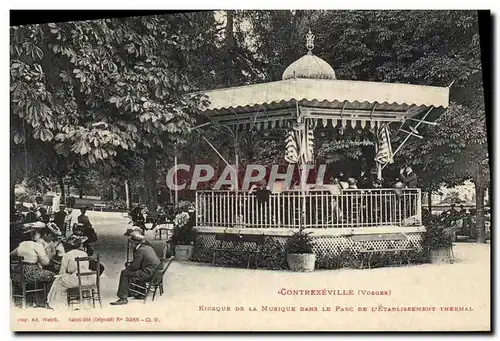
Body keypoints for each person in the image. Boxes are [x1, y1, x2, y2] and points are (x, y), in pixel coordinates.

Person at [110, 232, 161, 306]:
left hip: (149, 274)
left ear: (135, 243)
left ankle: (123, 297)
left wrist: (128, 266)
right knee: (135, 270)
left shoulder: (140, 250)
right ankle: (140, 293)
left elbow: (135, 266)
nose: (130, 245)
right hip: (155, 273)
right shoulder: (148, 247)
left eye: (131, 243)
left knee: (124, 273)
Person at [46, 235, 95, 310]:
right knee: (65, 279)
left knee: (60, 281)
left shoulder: (67, 255)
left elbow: (62, 271)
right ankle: (81, 300)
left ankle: (59, 304)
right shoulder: (84, 253)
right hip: (88, 279)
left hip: (77, 279)